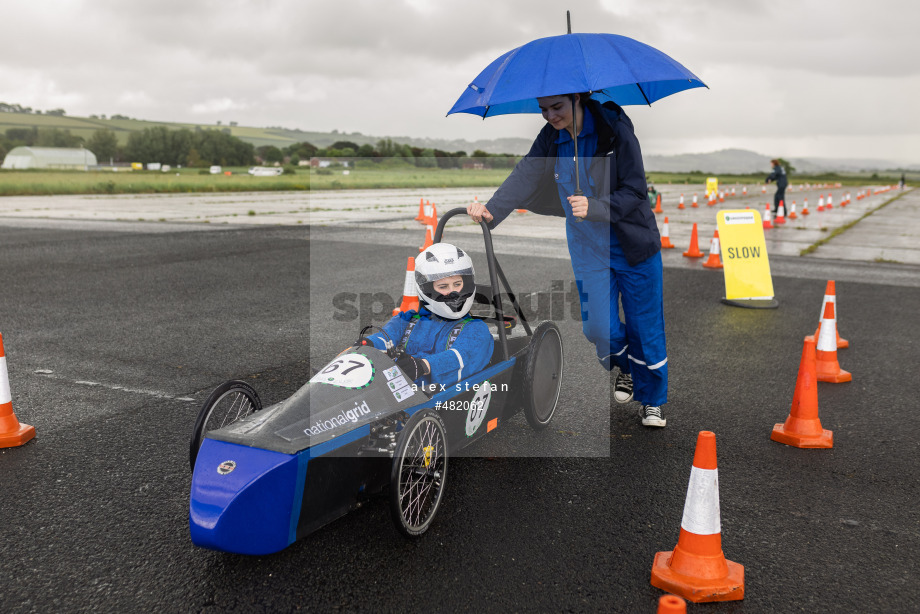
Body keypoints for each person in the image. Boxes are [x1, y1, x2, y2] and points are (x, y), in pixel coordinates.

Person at [467, 93, 668, 427]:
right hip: (588, 247)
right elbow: (527, 173)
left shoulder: (615, 130)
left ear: (578, 98)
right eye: (543, 109)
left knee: (645, 328)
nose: (549, 115)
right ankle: (631, 369)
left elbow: (636, 191)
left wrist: (597, 206)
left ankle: (652, 401)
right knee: (598, 328)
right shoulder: (552, 137)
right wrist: (494, 208)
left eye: (556, 107)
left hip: (633, 245)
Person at [356, 242, 494, 390]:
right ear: (427, 289)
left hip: (441, 396)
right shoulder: (410, 319)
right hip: (398, 387)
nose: (453, 292)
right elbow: (387, 336)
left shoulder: (476, 329)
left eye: (457, 284)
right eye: (443, 287)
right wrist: (368, 344)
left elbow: (460, 357)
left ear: (466, 283)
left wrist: (424, 366)